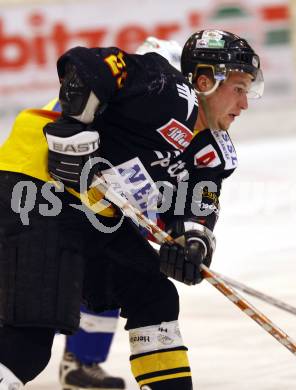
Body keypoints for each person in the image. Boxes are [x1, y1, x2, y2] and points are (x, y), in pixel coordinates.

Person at [0, 29, 263, 390]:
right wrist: (71, 127)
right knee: (27, 343)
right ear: (205, 81)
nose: (245, 104)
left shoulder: (212, 154)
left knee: (153, 295)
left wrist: (191, 245)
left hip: (94, 215)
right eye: (239, 88)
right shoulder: (169, 91)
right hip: (37, 191)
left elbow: (196, 209)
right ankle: (76, 358)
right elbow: (89, 64)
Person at [58, 36, 183, 390]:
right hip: (57, 205)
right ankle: (75, 360)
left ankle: (79, 361)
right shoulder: (124, 103)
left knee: (111, 278)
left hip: (86, 205)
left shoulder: (123, 100)